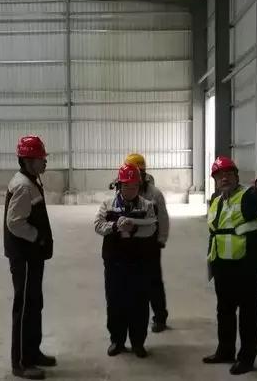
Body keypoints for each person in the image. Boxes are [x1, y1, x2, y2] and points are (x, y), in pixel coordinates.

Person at [202, 156, 257, 376]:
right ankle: (225, 351)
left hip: (246, 264)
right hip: (222, 264)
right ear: (215, 180)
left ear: (236, 176)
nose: (224, 178)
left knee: (248, 313)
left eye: (229, 174)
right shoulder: (216, 200)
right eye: (220, 175)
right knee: (224, 311)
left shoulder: (247, 196)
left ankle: (246, 358)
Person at [4, 135, 56, 380]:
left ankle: (33, 352)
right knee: (25, 307)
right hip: (24, 256)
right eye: (40, 158)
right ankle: (21, 363)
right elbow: (15, 223)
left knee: (35, 304)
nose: (44, 162)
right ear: (27, 160)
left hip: (32, 257)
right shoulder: (24, 186)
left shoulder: (31, 181)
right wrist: (38, 237)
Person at [94, 163, 158, 359]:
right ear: (119, 186)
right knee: (115, 302)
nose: (131, 190)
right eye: (126, 186)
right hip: (114, 262)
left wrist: (134, 229)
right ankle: (117, 341)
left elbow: (151, 228)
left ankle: (138, 343)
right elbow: (98, 225)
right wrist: (115, 227)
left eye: (134, 186)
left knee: (139, 303)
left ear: (139, 186)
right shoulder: (107, 205)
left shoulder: (147, 206)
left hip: (139, 262)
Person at [124, 153, 170, 333]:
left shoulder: (154, 194)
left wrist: (162, 239)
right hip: (130, 242)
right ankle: (133, 317)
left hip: (150, 243)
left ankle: (160, 317)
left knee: (153, 281)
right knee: (131, 282)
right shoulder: (123, 190)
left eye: (138, 172)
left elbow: (163, 218)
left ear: (143, 173)